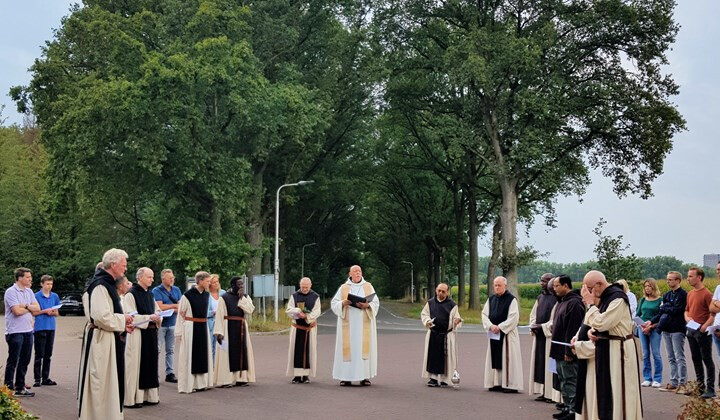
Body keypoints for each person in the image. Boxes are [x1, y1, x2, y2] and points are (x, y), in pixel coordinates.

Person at [78, 249, 134, 420]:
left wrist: (123, 325)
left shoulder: (107, 283)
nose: (125, 268)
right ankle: (99, 415)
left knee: (109, 379)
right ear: (113, 264)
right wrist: (123, 319)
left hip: (109, 336)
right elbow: (101, 317)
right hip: (101, 338)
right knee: (100, 380)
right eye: (123, 264)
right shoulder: (100, 285)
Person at [582, 270, 642, 419]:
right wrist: (592, 332)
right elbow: (602, 324)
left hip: (619, 350)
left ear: (599, 284)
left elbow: (603, 322)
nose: (589, 293)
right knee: (607, 390)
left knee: (619, 388)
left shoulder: (618, 298)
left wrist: (591, 306)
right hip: (607, 347)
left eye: (590, 289)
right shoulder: (606, 298)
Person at [331, 265, 380, 386]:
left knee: (363, 350)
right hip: (348, 326)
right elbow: (334, 303)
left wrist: (367, 306)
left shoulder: (368, 286)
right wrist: (343, 302)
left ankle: (365, 377)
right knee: (349, 350)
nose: (358, 273)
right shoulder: (343, 287)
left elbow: (376, 302)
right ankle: (346, 377)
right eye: (355, 271)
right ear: (350, 274)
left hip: (364, 325)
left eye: (359, 271)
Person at [123, 267, 161, 408]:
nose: (152, 279)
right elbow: (129, 317)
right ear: (140, 278)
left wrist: (158, 316)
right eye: (149, 277)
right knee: (137, 365)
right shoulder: (130, 295)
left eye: (152, 277)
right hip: (138, 335)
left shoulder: (150, 295)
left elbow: (157, 310)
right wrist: (148, 317)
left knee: (151, 364)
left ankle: (150, 396)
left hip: (151, 334)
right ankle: (135, 398)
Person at [549, 275, 585, 420]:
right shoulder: (562, 302)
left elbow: (573, 329)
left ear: (566, 286)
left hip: (566, 350)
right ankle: (567, 406)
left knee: (570, 379)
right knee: (563, 379)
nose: (554, 288)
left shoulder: (574, 303)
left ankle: (573, 410)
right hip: (558, 349)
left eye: (557, 286)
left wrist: (569, 351)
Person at [481, 276, 523, 393]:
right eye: (495, 285)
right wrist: (490, 326)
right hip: (494, 334)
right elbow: (484, 314)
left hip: (507, 335)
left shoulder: (511, 300)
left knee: (507, 358)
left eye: (499, 285)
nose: (497, 287)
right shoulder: (491, 300)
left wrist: (500, 327)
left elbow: (514, 317)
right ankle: (496, 383)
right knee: (494, 357)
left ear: (505, 286)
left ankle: (510, 385)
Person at [648, 271, 687, 394]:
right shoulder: (667, 295)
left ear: (677, 280)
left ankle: (682, 383)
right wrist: (651, 321)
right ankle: (674, 381)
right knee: (670, 357)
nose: (668, 281)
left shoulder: (683, 295)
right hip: (666, 328)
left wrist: (666, 308)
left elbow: (678, 310)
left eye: (670, 279)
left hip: (677, 329)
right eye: (667, 279)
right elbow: (661, 312)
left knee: (679, 356)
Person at [213, 276, 256, 387]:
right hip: (227, 327)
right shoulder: (224, 298)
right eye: (239, 284)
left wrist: (242, 299)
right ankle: (225, 380)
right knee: (226, 352)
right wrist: (218, 332)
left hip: (241, 326)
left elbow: (250, 310)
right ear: (232, 285)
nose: (241, 286)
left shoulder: (245, 297)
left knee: (242, 351)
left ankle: (241, 378)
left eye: (242, 284)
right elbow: (219, 315)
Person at [4, 268, 40, 397]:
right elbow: (16, 312)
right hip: (15, 331)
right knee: (13, 360)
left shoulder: (29, 291)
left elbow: (37, 309)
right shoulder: (11, 292)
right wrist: (28, 308)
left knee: (25, 359)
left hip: (28, 331)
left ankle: (20, 386)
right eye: (28, 277)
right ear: (20, 278)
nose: (30, 279)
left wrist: (25, 306)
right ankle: (8, 388)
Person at [176, 271, 213, 393]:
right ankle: (189, 384)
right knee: (190, 355)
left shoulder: (206, 295)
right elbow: (181, 314)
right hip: (190, 327)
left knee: (202, 354)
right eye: (207, 281)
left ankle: (201, 383)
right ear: (200, 281)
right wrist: (179, 332)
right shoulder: (187, 295)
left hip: (202, 326)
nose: (209, 283)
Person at [420, 283, 462, 387]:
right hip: (433, 334)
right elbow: (424, 314)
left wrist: (457, 321)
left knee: (446, 357)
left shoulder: (452, 305)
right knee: (432, 355)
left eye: (443, 291)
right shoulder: (430, 303)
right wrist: (427, 321)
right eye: (439, 291)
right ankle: (433, 378)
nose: (440, 293)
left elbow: (457, 318)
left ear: (447, 292)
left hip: (446, 335)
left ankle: (445, 379)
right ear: (436, 290)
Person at [684, 267, 715, 399]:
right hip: (691, 330)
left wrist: (705, 326)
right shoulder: (690, 293)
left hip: (702, 332)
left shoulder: (707, 294)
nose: (688, 278)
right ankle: (700, 387)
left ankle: (711, 388)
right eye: (688, 276)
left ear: (699, 277)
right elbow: (686, 310)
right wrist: (687, 318)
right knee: (695, 359)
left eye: (691, 276)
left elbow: (713, 314)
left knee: (706, 359)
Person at [286, 277, 321, 384]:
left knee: (309, 351)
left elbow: (317, 311)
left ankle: (306, 375)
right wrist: (297, 312)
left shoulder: (315, 297)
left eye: (306, 287)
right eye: (302, 287)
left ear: (310, 286)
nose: (304, 289)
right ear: (299, 285)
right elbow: (288, 309)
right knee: (296, 350)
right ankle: (297, 375)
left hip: (309, 328)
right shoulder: (294, 296)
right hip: (297, 328)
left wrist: (306, 316)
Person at [528, 273, 556, 402]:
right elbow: (533, 314)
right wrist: (533, 325)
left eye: (544, 281)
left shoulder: (556, 298)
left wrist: (543, 327)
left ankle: (551, 394)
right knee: (540, 364)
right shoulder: (540, 298)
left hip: (549, 337)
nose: (541, 283)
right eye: (541, 281)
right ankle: (543, 391)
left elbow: (555, 319)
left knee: (549, 364)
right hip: (539, 336)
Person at [152, 269, 182, 383]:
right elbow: (160, 306)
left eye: (173, 278)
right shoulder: (157, 290)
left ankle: (170, 372)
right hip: (161, 324)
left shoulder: (176, 290)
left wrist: (170, 307)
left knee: (170, 349)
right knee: (158, 349)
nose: (172, 280)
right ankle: (155, 373)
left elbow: (180, 306)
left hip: (172, 323)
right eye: (170, 278)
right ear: (163, 279)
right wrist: (173, 306)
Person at [32, 274, 60, 388]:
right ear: (42, 284)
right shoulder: (35, 296)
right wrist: (45, 311)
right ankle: (37, 378)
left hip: (51, 327)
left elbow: (56, 313)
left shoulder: (54, 296)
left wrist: (52, 312)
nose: (49, 286)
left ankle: (46, 377)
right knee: (39, 354)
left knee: (48, 354)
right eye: (47, 284)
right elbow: (34, 312)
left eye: (51, 284)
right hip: (40, 327)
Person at [636, 278, 662, 388]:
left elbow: (661, 316)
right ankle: (647, 377)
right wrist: (641, 326)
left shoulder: (659, 300)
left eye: (649, 286)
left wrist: (651, 326)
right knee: (645, 354)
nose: (647, 288)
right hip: (642, 328)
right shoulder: (642, 300)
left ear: (654, 287)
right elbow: (638, 314)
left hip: (654, 328)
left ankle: (657, 378)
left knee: (656, 353)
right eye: (645, 286)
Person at [207, 274, 225, 363]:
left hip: (221, 323)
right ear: (209, 284)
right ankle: (212, 367)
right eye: (213, 282)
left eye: (217, 281)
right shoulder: (206, 295)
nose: (216, 284)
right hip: (211, 323)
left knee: (222, 345)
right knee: (211, 346)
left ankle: (223, 365)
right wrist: (212, 312)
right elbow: (204, 311)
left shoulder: (223, 293)